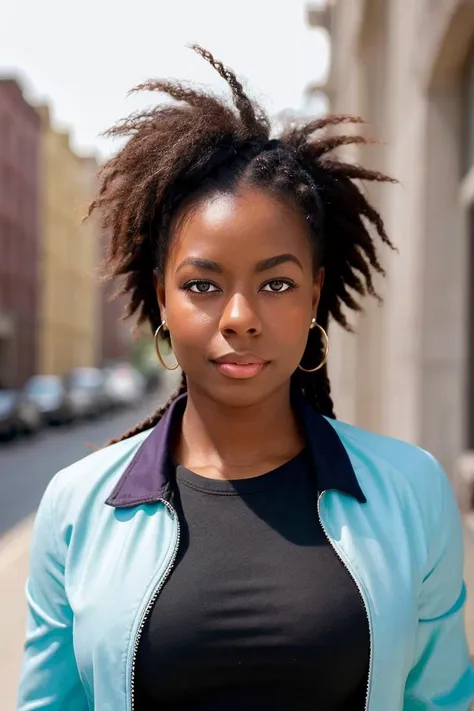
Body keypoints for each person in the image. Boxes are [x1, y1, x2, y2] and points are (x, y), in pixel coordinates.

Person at [17, 46, 474, 711]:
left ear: (314, 295)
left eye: (276, 282)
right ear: (162, 299)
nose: (240, 317)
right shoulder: (75, 507)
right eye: (203, 284)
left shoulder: (411, 492)